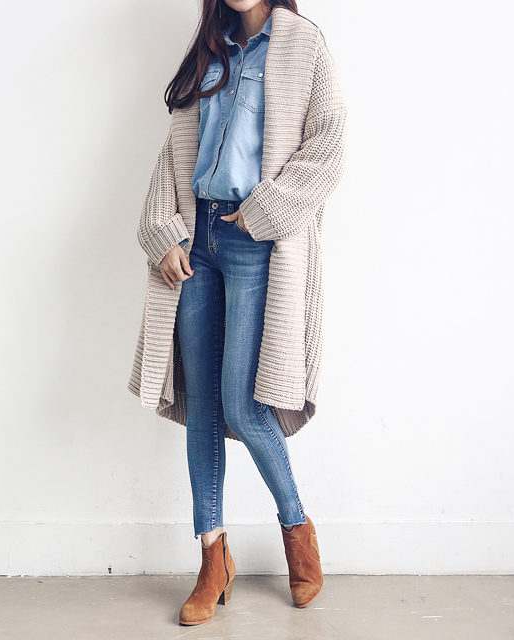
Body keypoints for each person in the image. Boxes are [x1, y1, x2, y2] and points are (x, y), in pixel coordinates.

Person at [127, 0, 347, 626]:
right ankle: (212, 559)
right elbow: (173, 153)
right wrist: (163, 234)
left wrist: (265, 211)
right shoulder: (211, 48)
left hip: (256, 241)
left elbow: (329, 145)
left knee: (244, 404)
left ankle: (297, 529)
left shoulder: (303, 44)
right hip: (196, 239)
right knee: (202, 403)